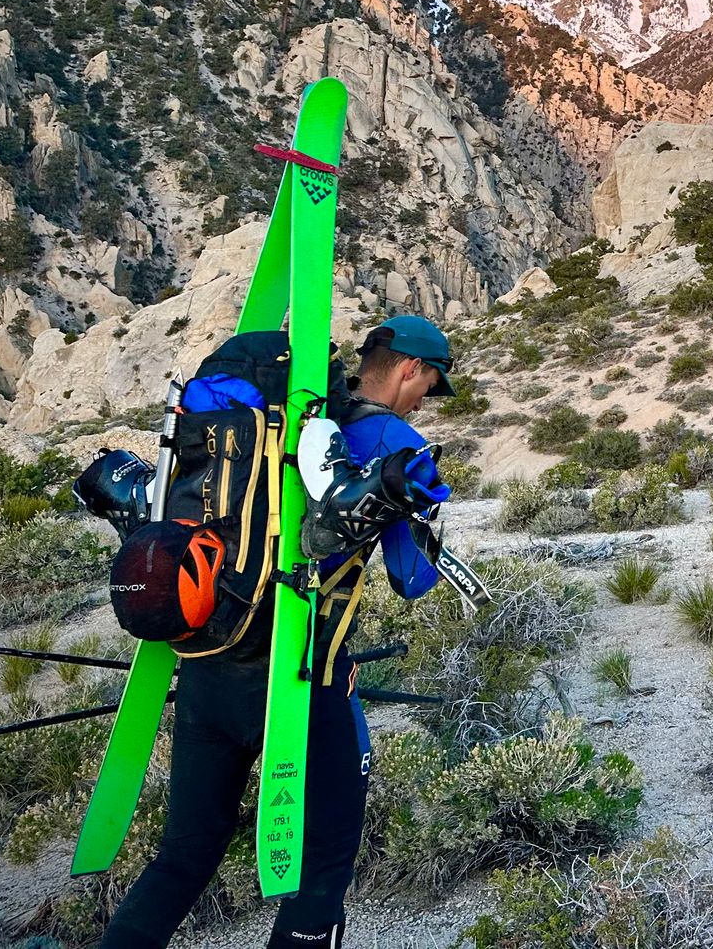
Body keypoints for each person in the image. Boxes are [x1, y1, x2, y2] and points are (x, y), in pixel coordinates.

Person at [99, 315, 456, 949]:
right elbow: (412, 578)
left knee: (183, 857)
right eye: (430, 381)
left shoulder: (270, 423)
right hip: (302, 679)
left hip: (210, 658)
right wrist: (426, 521)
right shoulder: (392, 440)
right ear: (409, 368)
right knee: (323, 864)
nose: (426, 395)